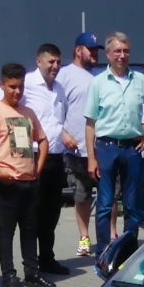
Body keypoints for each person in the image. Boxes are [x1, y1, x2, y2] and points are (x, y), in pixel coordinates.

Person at [0, 44, 69, 275]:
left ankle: (46, 258)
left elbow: (56, 123)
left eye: (58, 62)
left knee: (51, 212)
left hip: (54, 156)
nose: (55, 66)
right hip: (29, 158)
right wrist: (11, 127)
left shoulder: (59, 88)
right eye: (51, 61)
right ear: (39, 61)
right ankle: (19, 268)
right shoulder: (26, 82)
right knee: (27, 218)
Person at [85, 33, 144, 258]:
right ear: (108, 54)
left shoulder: (139, 81)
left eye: (126, 51)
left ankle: (128, 254)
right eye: (117, 51)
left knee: (131, 204)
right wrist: (91, 158)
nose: (122, 55)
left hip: (132, 148)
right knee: (105, 204)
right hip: (106, 147)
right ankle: (103, 253)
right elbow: (90, 123)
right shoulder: (98, 83)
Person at [0, 61, 49, 287]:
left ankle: (32, 272)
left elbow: (42, 140)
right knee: (7, 229)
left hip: (29, 180)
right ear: (2, 85)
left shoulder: (28, 113)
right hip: (7, 181)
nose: (17, 91)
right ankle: (8, 275)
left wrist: (38, 167)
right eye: (12, 87)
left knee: (30, 229)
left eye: (20, 87)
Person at [54, 33, 99, 256]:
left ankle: (111, 237)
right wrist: (63, 133)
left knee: (109, 195)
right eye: (91, 49)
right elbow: (54, 110)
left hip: (101, 147)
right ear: (78, 50)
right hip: (76, 148)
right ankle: (84, 237)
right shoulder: (64, 75)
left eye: (97, 50)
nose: (95, 54)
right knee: (81, 195)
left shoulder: (99, 77)